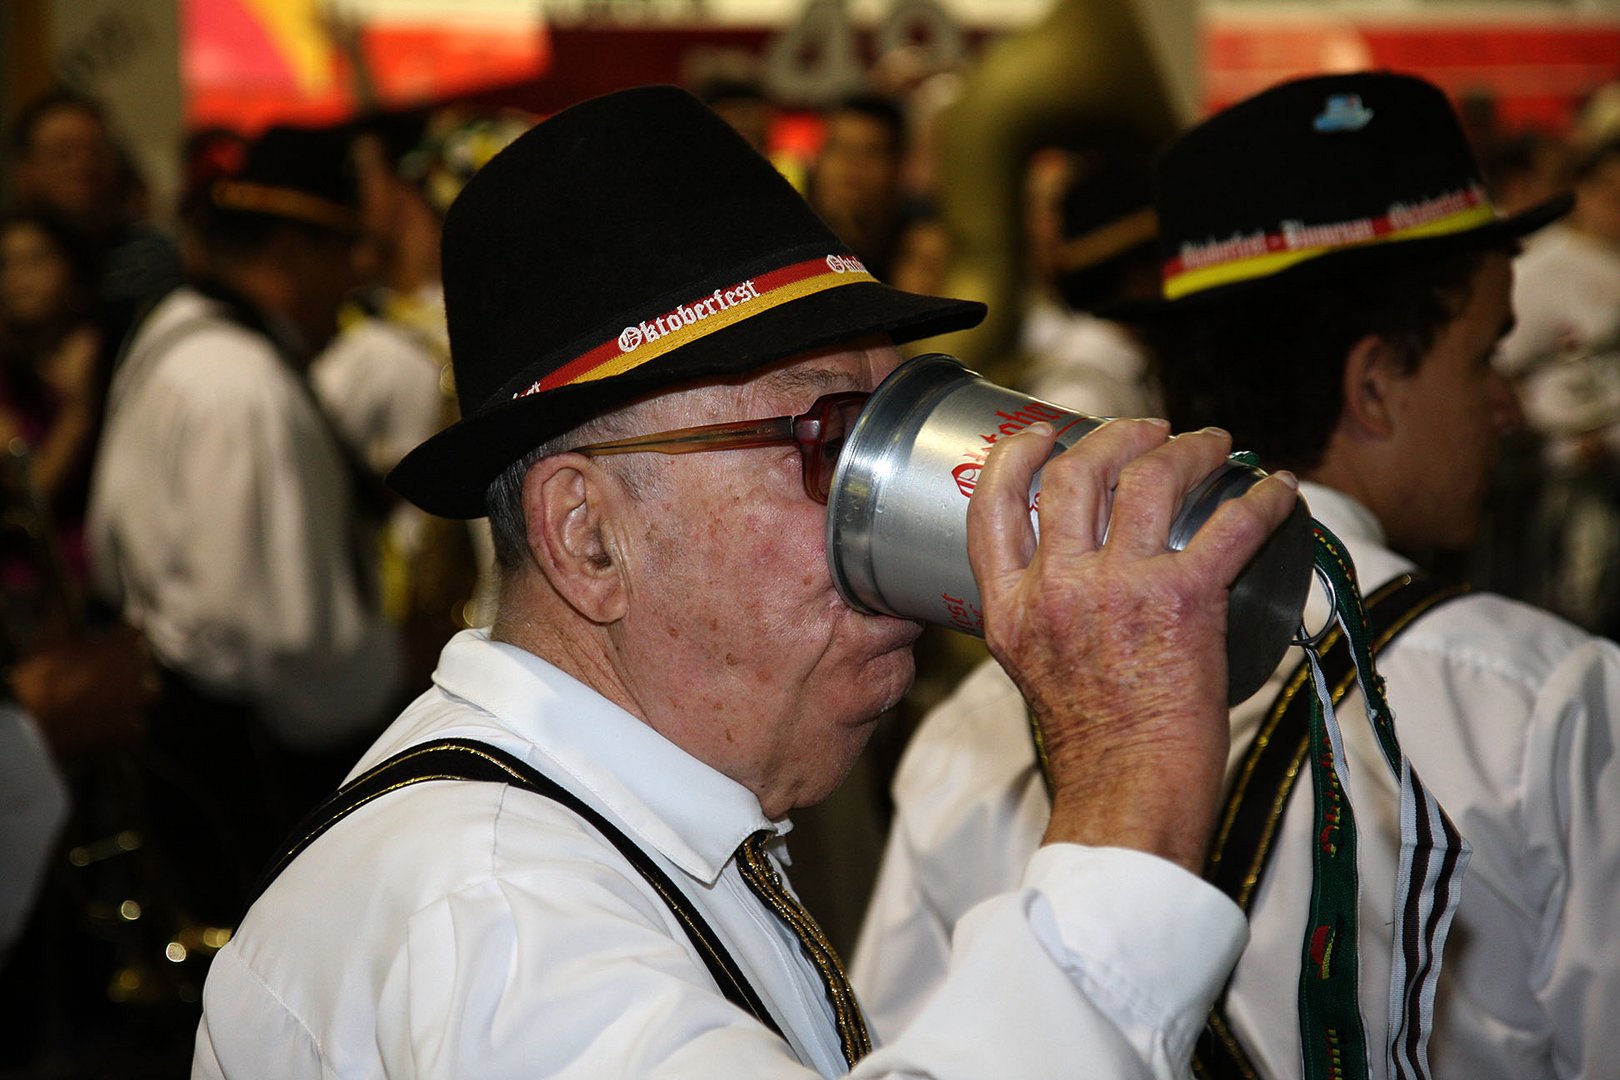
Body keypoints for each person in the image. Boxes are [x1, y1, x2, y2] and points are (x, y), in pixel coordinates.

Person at [190, 85, 1299, 1079]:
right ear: (586, 538)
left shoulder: (633, 823)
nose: (896, 509)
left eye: (904, 428)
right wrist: (1129, 779)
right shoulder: (501, 923)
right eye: (830, 433)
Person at [853, 71, 1620, 1080]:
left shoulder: (974, 732)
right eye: (1485, 358)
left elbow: (894, 1044)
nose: (1507, 408)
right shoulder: (1544, 701)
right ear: (1375, 382)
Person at [86, 123, 403, 927]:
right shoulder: (240, 386)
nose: (357, 277)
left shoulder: (177, 337)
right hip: (250, 776)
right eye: (343, 252)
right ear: (291, 253)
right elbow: (276, 639)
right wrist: (391, 679)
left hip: (198, 746)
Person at [1493, 136, 1620, 637]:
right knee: (1581, 608)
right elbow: (1501, 368)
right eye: (1608, 190)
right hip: (1571, 478)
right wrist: (1557, 432)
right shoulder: (1542, 270)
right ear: (1582, 191)